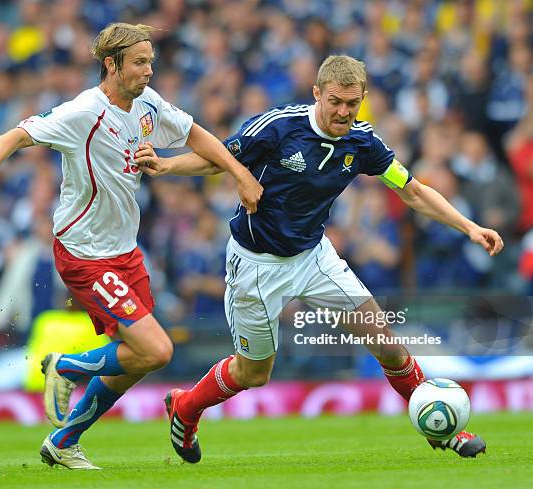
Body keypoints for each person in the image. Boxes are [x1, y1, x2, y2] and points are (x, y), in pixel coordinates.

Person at [135, 55, 504, 463]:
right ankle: (186, 408)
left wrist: (469, 227)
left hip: (314, 256)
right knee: (252, 373)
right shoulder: (278, 127)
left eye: (352, 103)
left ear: (362, 99)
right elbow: (220, 158)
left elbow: (412, 190)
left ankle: (440, 431)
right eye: (336, 102)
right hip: (257, 265)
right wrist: (167, 164)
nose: (344, 112)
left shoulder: (363, 142)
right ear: (317, 94)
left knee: (388, 345)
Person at [0, 22, 263, 470]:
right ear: (111, 65)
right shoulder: (83, 112)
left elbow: (198, 135)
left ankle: (64, 440)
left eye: (151, 61)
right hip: (84, 251)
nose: (149, 70)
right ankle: (66, 367)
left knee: (135, 361)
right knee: (159, 351)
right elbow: (12, 135)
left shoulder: (147, 103)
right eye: (140, 62)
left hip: (124, 251)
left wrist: (237, 173)